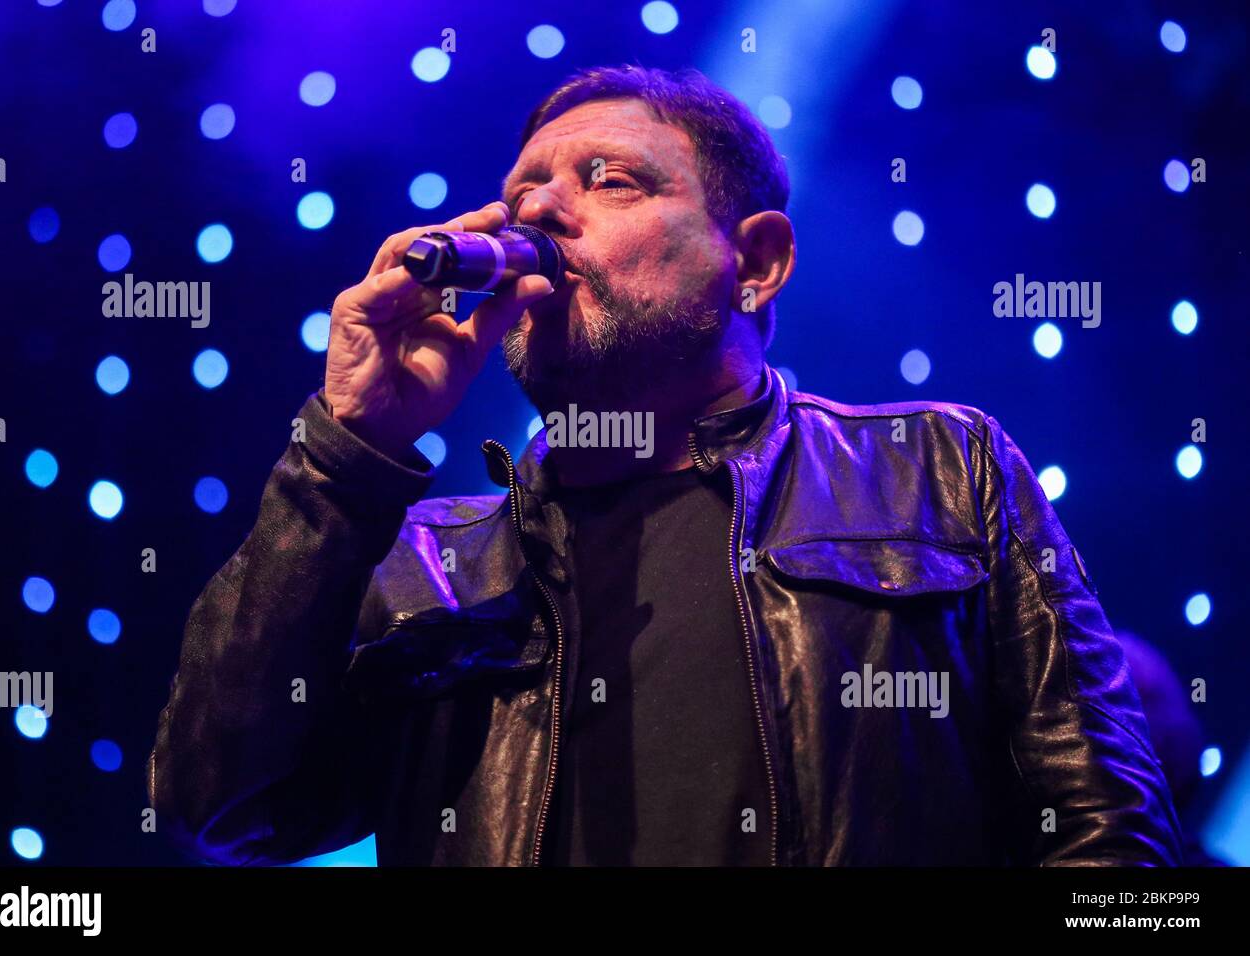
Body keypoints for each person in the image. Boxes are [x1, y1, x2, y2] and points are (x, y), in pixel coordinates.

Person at [148, 65, 1182, 866]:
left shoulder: (939, 470)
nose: (539, 214)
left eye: (609, 180)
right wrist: (346, 453)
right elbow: (220, 802)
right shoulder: (425, 557)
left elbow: (1102, 831)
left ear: (758, 261)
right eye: (522, 196)